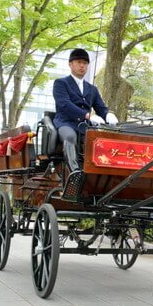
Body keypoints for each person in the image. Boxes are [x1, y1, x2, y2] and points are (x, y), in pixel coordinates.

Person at [53, 48, 118, 198]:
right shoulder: (61, 83)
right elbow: (64, 104)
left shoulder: (92, 89)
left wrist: (108, 114)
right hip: (66, 123)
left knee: (103, 141)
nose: (82, 66)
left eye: (85, 63)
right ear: (71, 64)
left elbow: (101, 107)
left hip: (86, 127)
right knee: (70, 137)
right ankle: (75, 173)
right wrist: (87, 115)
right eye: (79, 62)